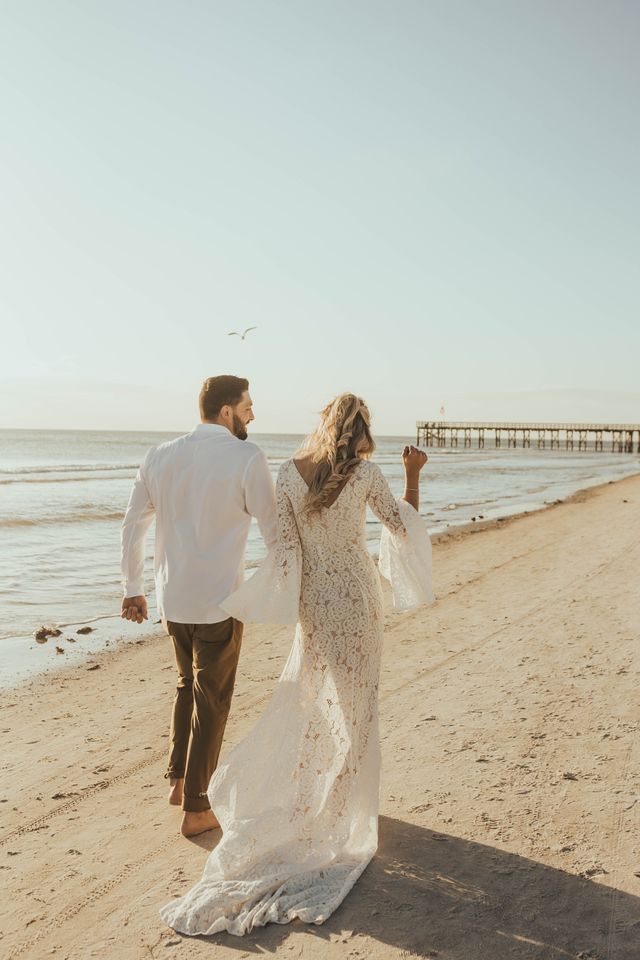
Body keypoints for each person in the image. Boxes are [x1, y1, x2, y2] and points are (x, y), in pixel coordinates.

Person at [160, 392, 434, 936]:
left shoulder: (287, 473)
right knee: (356, 705)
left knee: (310, 701)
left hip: (314, 603)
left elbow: (283, 552)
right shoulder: (365, 472)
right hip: (356, 599)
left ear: (323, 423)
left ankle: (313, 804)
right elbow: (401, 529)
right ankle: (343, 814)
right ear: (359, 431)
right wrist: (412, 475)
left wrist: (243, 594)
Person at [120, 375, 277, 838]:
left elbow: (133, 525)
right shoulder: (247, 457)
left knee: (188, 684)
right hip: (219, 602)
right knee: (213, 700)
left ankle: (178, 780)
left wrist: (133, 587)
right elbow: (272, 527)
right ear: (227, 410)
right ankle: (196, 808)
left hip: (173, 599)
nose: (252, 414)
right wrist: (282, 583)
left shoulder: (159, 455)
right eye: (247, 406)